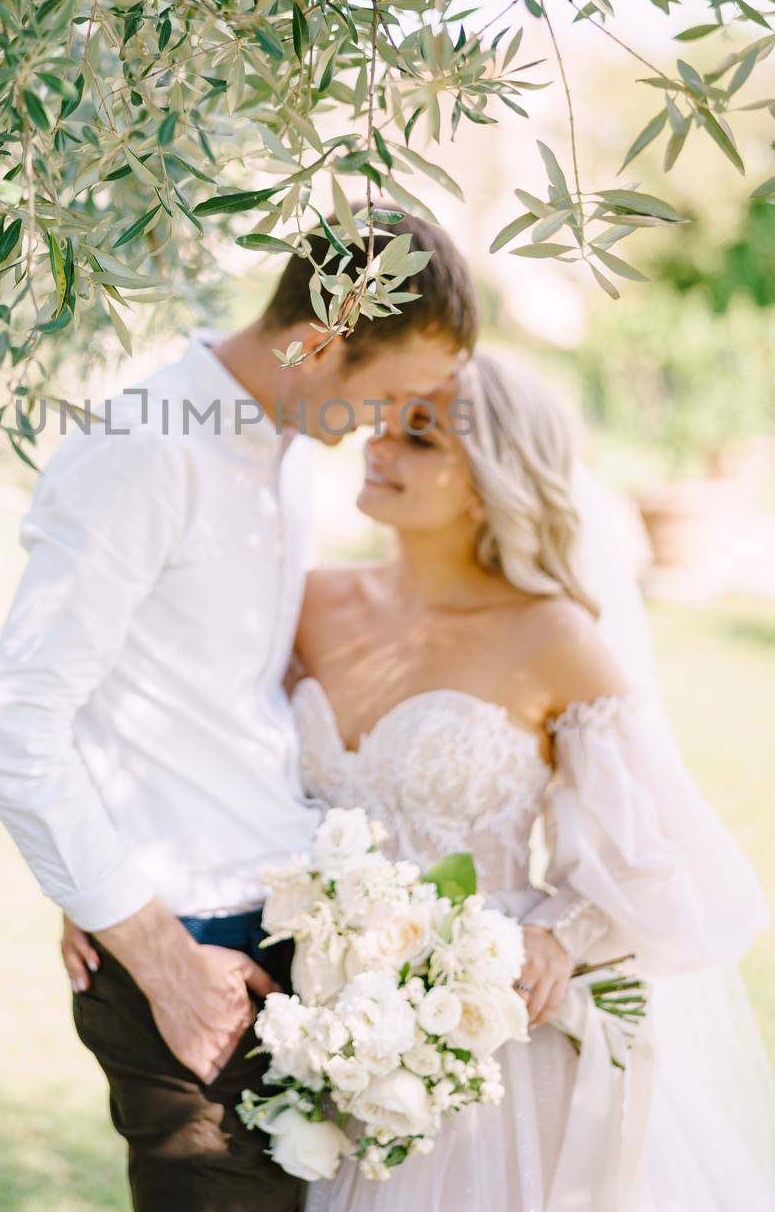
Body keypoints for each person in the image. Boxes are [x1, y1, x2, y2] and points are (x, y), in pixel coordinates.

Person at [0, 213, 480, 1212]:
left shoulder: (280, 445)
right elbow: (11, 718)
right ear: (322, 340)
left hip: (271, 917)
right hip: (187, 950)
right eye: (383, 394)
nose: (385, 423)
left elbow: (174, 697)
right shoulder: (144, 450)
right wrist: (147, 943)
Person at [278, 353, 772, 1211]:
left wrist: (555, 937)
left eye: (419, 434)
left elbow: (656, 860)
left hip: (490, 1037)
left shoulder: (551, 637)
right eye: (383, 418)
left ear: (489, 480)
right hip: (321, 1017)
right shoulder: (311, 602)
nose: (377, 444)